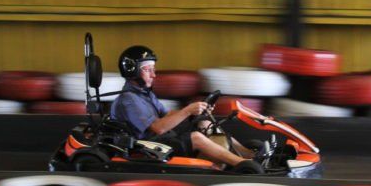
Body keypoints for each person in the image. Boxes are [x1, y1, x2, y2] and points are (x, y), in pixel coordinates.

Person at [109, 45, 261, 171]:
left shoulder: (144, 94)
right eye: (148, 70)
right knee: (195, 138)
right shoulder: (129, 100)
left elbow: (167, 115)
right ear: (132, 71)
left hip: (159, 140)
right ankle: (242, 164)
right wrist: (187, 110)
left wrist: (195, 111)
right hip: (147, 147)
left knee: (204, 122)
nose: (153, 75)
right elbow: (158, 128)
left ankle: (249, 154)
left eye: (153, 69)